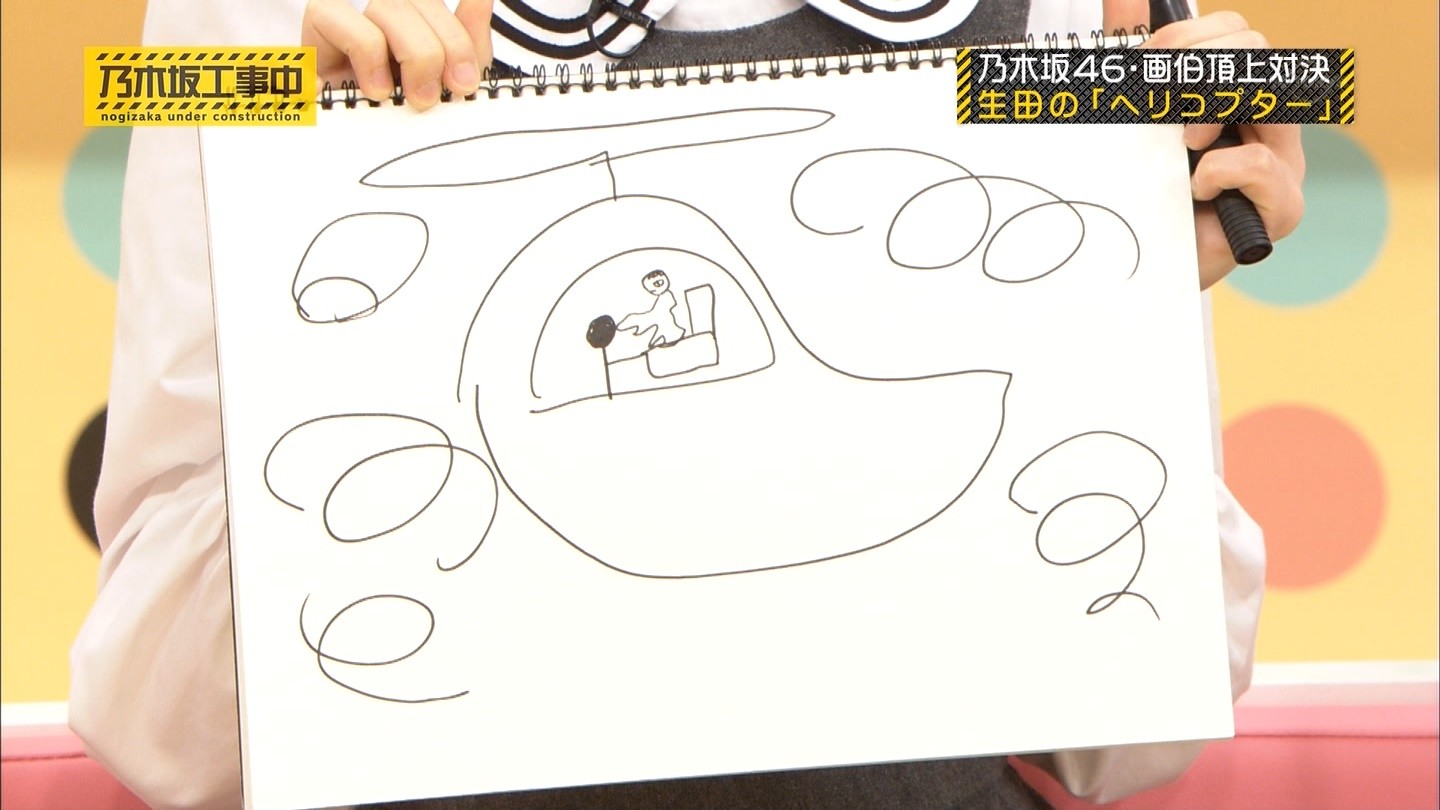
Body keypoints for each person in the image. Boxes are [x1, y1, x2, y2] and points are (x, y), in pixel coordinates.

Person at [70, 1, 1295, 808]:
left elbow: (1131, 732)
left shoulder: (1097, 5)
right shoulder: (258, 20)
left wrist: (1108, 316)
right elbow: (164, 731)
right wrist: (295, 226)